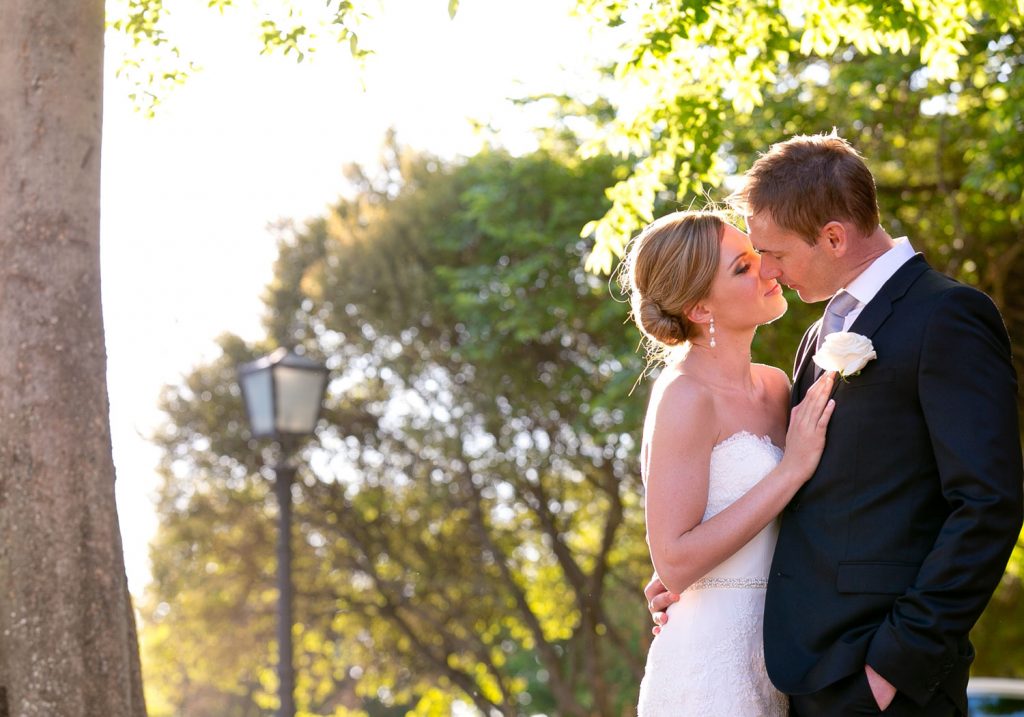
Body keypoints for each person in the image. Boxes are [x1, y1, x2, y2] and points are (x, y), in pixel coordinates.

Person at [646, 132, 1024, 716]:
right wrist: (703, 578)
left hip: (881, 677)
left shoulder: (946, 315)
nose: (769, 270)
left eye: (772, 253)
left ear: (833, 237)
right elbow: (813, 498)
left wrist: (898, 662)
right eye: (751, 260)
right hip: (796, 670)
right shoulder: (817, 336)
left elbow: (988, 503)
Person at [624, 209, 837, 715]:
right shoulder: (684, 394)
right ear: (700, 308)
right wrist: (790, 470)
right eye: (742, 267)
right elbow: (674, 561)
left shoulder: (777, 385)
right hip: (710, 668)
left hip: (783, 656)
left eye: (756, 253)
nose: (766, 267)